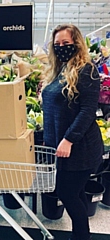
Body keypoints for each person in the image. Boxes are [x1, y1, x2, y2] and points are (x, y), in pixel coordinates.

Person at [41, 24, 103, 240]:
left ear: (77, 44)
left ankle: (81, 237)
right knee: (74, 194)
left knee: (67, 194)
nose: (61, 47)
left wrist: (68, 139)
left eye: (66, 43)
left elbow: (88, 111)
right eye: (57, 44)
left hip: (81, 147)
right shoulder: (58, 70)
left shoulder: (87, 70)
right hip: (62, 146)